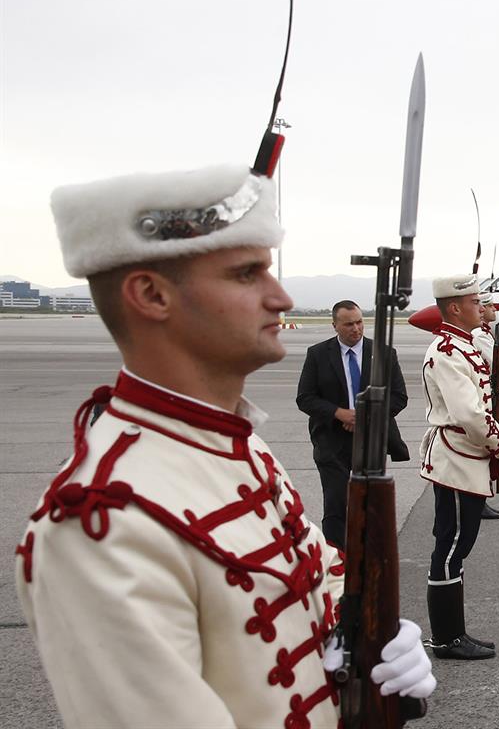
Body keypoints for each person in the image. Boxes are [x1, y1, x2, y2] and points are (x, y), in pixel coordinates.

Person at [15, 164, 434, 728]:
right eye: (245, 274)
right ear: (150, 295)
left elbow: (317, 574)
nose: (281, 296)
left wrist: (359, 634)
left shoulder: (242, 449)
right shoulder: (98, 523)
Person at [419, 274, 499, 660]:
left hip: (465, 457)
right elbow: (469, 415)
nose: (482, 307)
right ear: (455, 307)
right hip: (458, 458)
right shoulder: (446, 351)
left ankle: (453, 633)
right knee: (451, 547)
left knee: (457, 545)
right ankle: (446, 638)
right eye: (475, 302)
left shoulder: (462, 346)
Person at [297, 300, 409, 547]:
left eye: (359, 322)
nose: (356, 329)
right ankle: (337, 562)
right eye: (348, 324)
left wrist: (364, 417)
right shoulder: (317, 354)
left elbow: (399, 397)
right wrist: (338, 413)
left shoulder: (383, 353)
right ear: (335, 325)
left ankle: (370, 559)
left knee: (371, 503)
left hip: (371, 440)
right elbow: (305, 398)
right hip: (331, 440)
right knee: (336, 504)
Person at [471, 290, 499, 521]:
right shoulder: (479, 335)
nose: (495, 310)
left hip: (493, 396)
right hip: (488, 399)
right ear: (482, 310)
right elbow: (496, 366)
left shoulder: (484, 333)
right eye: (491, 307)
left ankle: (481, 498)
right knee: (485, 449)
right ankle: (478, 499)